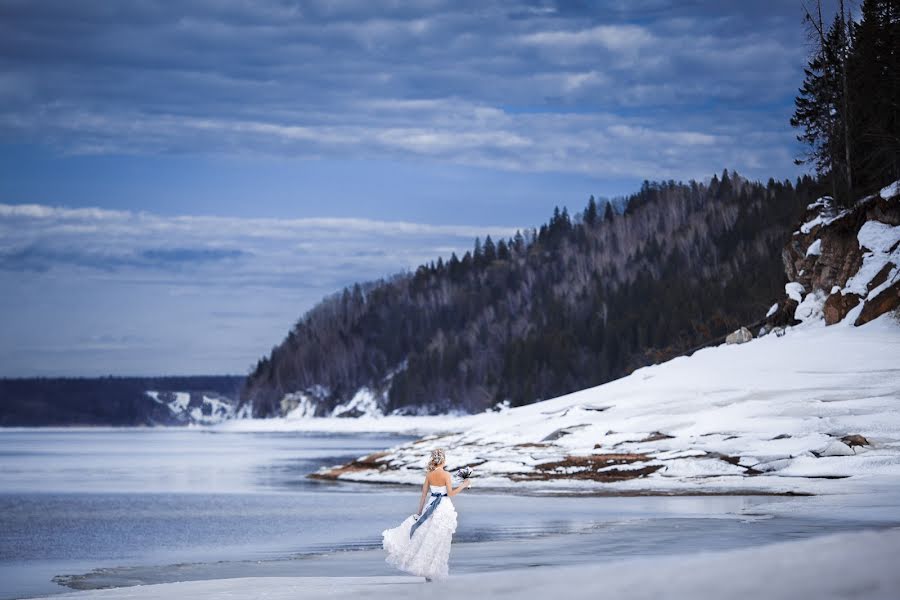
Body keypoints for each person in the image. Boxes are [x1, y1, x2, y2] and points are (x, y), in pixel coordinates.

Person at [382, 448, 471, 581]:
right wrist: (464, 485)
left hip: (430, 506)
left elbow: (423, 494)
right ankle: (432, 571)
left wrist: (419, 511)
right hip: (443, 509)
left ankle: (427, 572)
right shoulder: (446, 474)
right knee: (438, 540)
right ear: (444, 460)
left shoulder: (429, 475)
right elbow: (451, 494)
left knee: (426, 537)